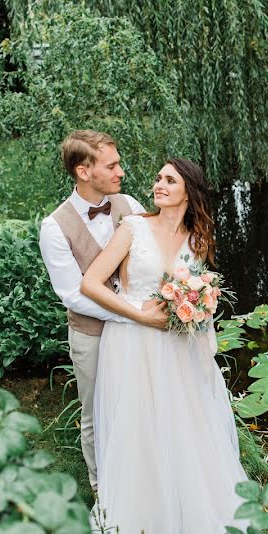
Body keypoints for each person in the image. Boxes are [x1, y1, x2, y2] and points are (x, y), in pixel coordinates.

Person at [80, 158, 248, 534]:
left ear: (188, 191)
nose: (158, 184)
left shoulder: (198, 240)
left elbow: (199, 297)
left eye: (169, 180)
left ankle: (189, 510)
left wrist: (207, 350)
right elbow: (90, 283)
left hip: (178, 347)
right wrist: (139, 314)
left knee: (181, 423)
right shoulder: (133, 228)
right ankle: (144, 518)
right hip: (134, 341)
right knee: (139, 424)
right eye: (157, 178)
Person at [39, 130, 168, 496]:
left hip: (137, 331)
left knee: (138, 403)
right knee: (96, 413)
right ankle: (102, 488)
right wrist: (136, 315)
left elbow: (149, 256)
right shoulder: (54, 228)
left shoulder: (127, 204)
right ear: (84, 171)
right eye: (111, 166)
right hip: (93, 335)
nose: (121, 172)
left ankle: (141, 475)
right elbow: (73, 296)